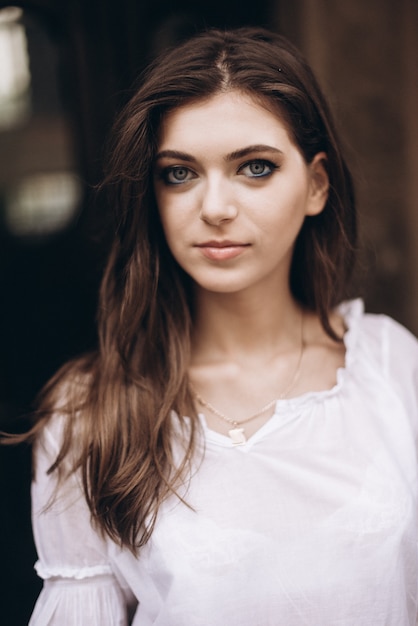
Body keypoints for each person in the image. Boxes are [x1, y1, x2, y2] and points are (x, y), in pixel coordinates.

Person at [12, 26, 418, 624]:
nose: (215, 207)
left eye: (254, 167)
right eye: (179, 173)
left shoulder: (393, 367)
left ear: (315, 185)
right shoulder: (89, 413)